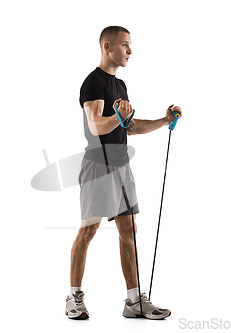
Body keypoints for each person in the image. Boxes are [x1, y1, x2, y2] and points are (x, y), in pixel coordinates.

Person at [65, 26, 183, 320]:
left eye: (130, 45)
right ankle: (73, 297)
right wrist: (116, 117)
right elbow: (96, 126)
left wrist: (163, 120)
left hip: (121, 164)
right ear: (107, 46)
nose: (130, 51)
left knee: (129, 231)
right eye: (125, 45)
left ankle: (133, 301)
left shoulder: (121, 86)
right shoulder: (93, 83)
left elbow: (128, 127)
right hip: (97, 164)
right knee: (89, 230)